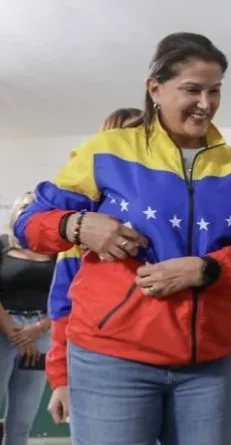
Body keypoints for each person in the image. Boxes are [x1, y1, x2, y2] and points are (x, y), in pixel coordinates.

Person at [13, 32, 231, 445]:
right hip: (112, 361)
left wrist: (207, 268)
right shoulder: (107, 151)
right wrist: (78, 225)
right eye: (192, 89)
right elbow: (29, 223)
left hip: (210, 365)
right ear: (155, 89)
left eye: (215, 90)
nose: (206, 103)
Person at [45, 107, 143, 425]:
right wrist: (61, 378)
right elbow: (62, 305)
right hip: (102, 361)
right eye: (125, 137)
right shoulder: (86, 223)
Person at [0, 193, 56, 445]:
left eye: (36, 205)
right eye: (24, 205)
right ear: (14, 211)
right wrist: (14, 333)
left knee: (22, 420)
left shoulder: (58, 253)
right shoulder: (3, 245)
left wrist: (38, 328)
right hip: (4, 329)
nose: (29, 209)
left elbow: (67, 297)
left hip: (41, 333)